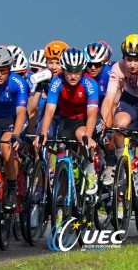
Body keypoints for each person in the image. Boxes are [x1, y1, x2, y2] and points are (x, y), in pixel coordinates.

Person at [101, 34, 138, 228]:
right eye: (129, 59)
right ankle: (123, 161)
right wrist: (103, 122)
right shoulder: (117, 68)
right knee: (119, 123)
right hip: (130, 101)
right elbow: (109, 98)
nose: (132, 64)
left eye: (136, 59)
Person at [35, 48, 101, 196]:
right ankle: (61, 201)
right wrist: (43, 134)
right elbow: (50, 111)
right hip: (67, 120)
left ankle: (91, 172)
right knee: (61, 160)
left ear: (82, 70)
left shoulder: (89, 83)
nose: (72, 76)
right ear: (63, 69)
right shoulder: (57, 81)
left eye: (77, 72)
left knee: (82, 136)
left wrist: (88, 137)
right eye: (69, 72)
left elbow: (92, 114)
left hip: (87, 118)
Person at [0, 46, 28, 210]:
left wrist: (16, 135)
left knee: (5, 145)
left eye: (3, 71)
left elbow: (22, 112)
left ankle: (12, 189)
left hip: (13, 119)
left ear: (9, 69)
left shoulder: (18, 83)